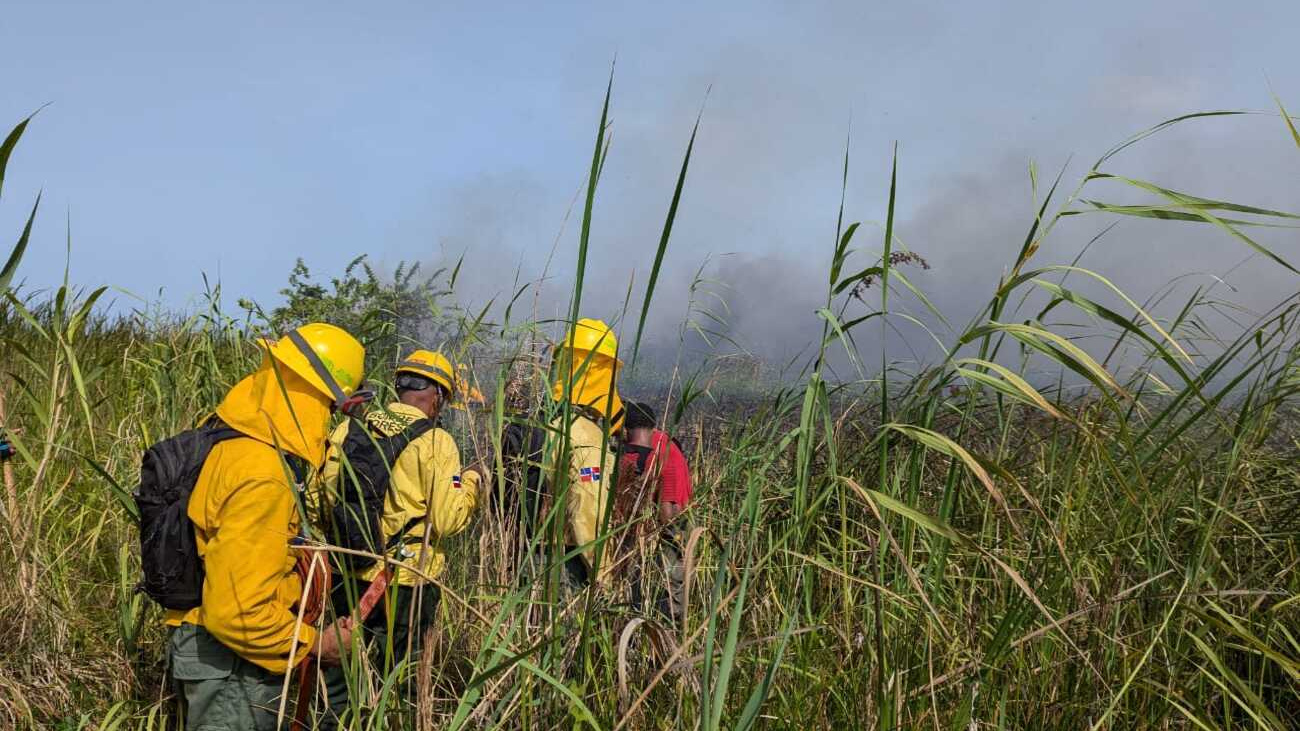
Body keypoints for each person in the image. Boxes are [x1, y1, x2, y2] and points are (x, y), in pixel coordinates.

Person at [165, 323, 364, 731]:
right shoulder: (264, 473)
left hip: (217, 654)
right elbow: (237, 612)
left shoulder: (233, 439)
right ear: (322, 399)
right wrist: (315, 644)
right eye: (336, 409)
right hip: (233, 663)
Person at [313, 349, 482, 729]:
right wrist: (472, 483)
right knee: (402, 683)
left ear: (400, 384)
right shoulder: (435, 440)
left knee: (340, 680)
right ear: (437, 395)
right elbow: (449, 519)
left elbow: (320, 498)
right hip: (406, 583)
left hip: (347, 570)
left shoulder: (348, 429)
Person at [535, 318, 624, 593]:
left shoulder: (546, 424)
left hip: (534, 555)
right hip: (569, 563)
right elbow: (587, 510)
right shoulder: (584, 435)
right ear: (603, 372)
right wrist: (605, 578)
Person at [618, 401, 692, 622]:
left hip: (672, 524)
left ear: (625, 429)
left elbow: (669, 512)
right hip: (654, 522)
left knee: (670, 585)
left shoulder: (663, 456)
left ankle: (668, 631)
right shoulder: (646, 447)